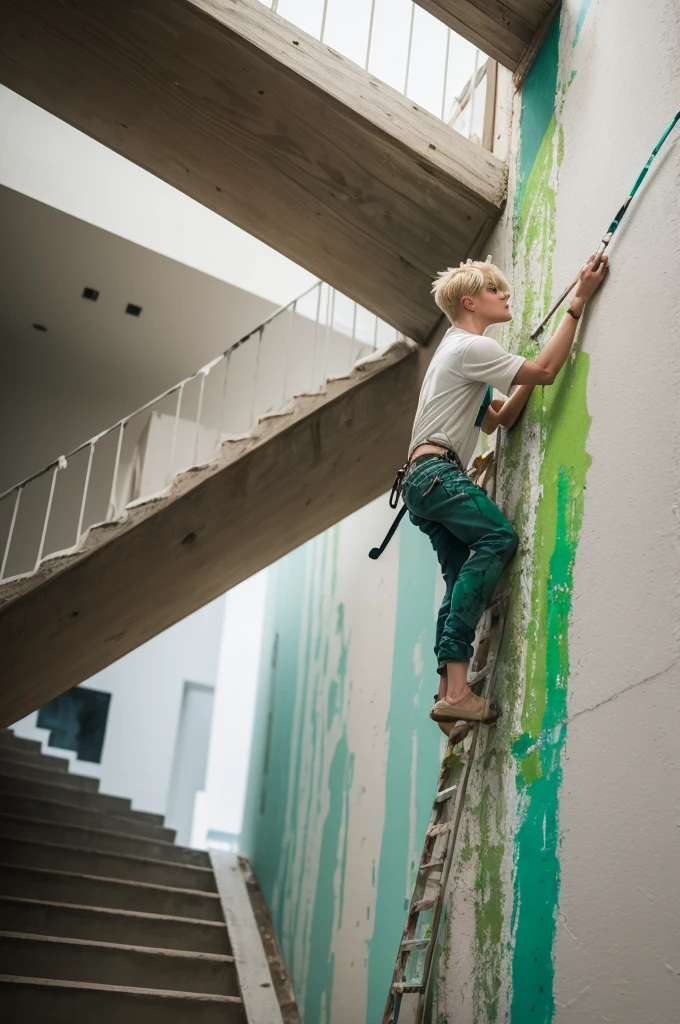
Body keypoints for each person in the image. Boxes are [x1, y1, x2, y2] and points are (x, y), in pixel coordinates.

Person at [401, 253, 609, 723]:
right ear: (471, 301)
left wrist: (523, 375)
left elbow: (500, 418)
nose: (507, 295)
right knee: (498, 538)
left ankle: (448, 690)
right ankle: (456, 694)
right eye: (497, 291)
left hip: (421, 482)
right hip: (438, 475)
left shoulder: (454, 355)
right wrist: (577, 301)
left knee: (459, 579)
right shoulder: (470, 349)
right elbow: (548, 372)